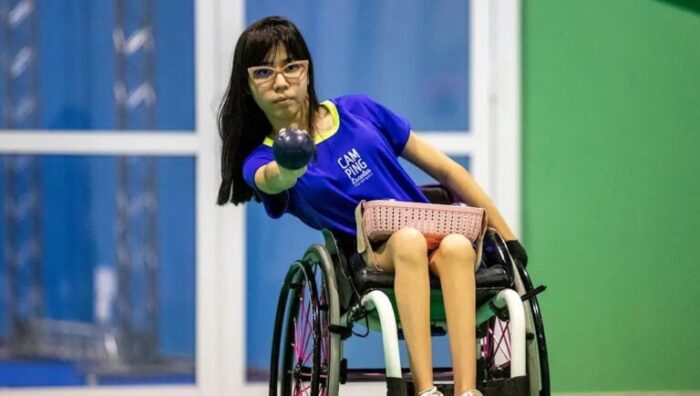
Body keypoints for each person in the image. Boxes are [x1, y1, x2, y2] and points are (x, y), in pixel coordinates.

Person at [217, 16, 527, 396]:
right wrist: (288, 165)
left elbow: (447, 170)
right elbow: (271, 179)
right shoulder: (259, 158)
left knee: (460, 246)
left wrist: (508, 239)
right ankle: (426, 390)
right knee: (408, 240)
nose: (280, 82)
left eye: (291, 67)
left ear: (307, 72)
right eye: (263, 72)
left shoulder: (358, 111)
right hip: (366, 258)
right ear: (247, 86)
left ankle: (466, 391)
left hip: (432, 234)